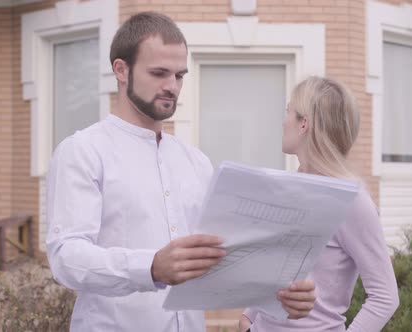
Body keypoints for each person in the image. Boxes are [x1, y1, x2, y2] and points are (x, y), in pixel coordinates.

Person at [46, 11, 316, 331]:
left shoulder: (195, 161)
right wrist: (150, 268)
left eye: (179, 75)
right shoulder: (83, 151)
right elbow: (66, 259)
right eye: (159, 73)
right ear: (121, 69)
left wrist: (280, 294)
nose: (171, 86)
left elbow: (221, 258)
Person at [239, 77, 399, 332]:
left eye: (288, 112)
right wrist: (251, 314)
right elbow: (282, 268)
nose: (283, 122)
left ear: (304, 124)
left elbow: (385, 297)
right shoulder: (290, 186)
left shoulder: (351, 202)